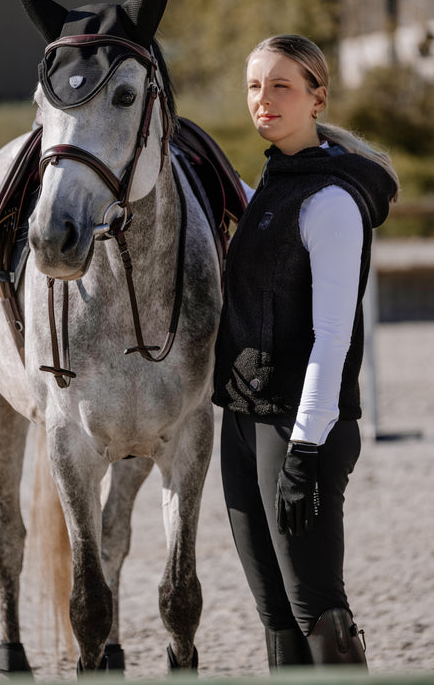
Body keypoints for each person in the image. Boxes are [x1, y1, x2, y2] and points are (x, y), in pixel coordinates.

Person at [212, 34, 399, 669]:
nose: (263, 99)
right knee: (276, 621)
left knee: (318, 612)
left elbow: (334, 337)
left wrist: (304, 452)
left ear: (318, 97)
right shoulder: (272, 182)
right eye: (254, 85)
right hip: (241, 422)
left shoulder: (332, 201)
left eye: (281, 85)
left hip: (300, 430)